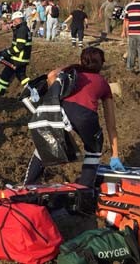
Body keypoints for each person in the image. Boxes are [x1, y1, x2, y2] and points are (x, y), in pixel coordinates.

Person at [23, 47, 124, 186]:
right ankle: (84, 188)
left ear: (81, 61)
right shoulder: (103, 84)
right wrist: (115, 155)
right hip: (86, 117)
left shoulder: (73, 74)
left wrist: (72, 66)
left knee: (46, 143)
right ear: (102, 64)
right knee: (93, 150)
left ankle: (29, 183)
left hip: (63, 112)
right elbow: (110, 124)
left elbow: (52, 75)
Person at [0, 11, 32, 96]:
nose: (13, 22)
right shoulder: (23, 28)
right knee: (21, 76)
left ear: (18, 19)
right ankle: (32, 90)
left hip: (18, 59)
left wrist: (6, 53)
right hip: (23, 58)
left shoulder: (22, 30)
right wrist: (14, 29)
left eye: (14, 20)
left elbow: (19, 47)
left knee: (5, 74)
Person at [121, 0, 140, 76]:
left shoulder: (128, 7)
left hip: (132, 33)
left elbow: (126, 20)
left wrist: (124, 31)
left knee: (131, 51)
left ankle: (129, 69)